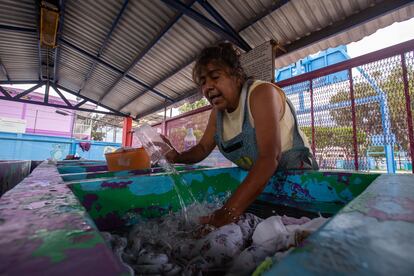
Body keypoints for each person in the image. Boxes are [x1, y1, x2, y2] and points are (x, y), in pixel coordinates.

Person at [162, 43, 318, 227]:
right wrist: (177, 156)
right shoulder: (217, 114)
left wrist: (226, 213)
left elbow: (270, 157)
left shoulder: (261, 93)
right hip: (260, 188)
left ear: (236, 76)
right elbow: (202, 148)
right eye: (203, 82)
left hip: (300, 187)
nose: (208, 87)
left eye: (215, 77)